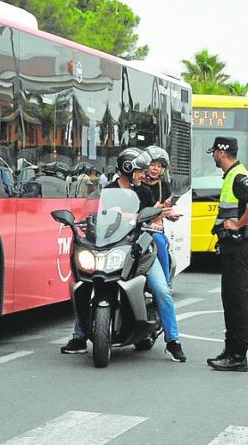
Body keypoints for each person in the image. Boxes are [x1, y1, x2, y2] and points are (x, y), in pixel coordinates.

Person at [61, 147, 187, 363]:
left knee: (161, 290)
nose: (143, 175)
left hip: (141, 250)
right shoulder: (107, 191)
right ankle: (79, 337)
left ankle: (173, 341)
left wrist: (153, 220)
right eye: (139, 171)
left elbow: (152, 219)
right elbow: (99, 218)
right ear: (128, 170)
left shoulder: (145, 192)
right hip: (113, 248)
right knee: (88, 284)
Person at [206, 136, 248, 373]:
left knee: (237, 300)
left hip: (239, 244)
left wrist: (238, 225)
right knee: (230, 299)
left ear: (221, 153)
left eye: (214, 152)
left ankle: (238, 355)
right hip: (233, 246)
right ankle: (231, 351)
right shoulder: (233, 175)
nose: (213, 156)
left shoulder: (238, 176)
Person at [143, 146, 181, 284]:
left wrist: (171, 214)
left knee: (160, 242)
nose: (155, 169)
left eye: (159, 166)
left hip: (154, 230)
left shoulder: (164, 186)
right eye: (152, 164)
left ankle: (165, 283)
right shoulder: (136, 184)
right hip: (134, 228)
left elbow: (166, 207)